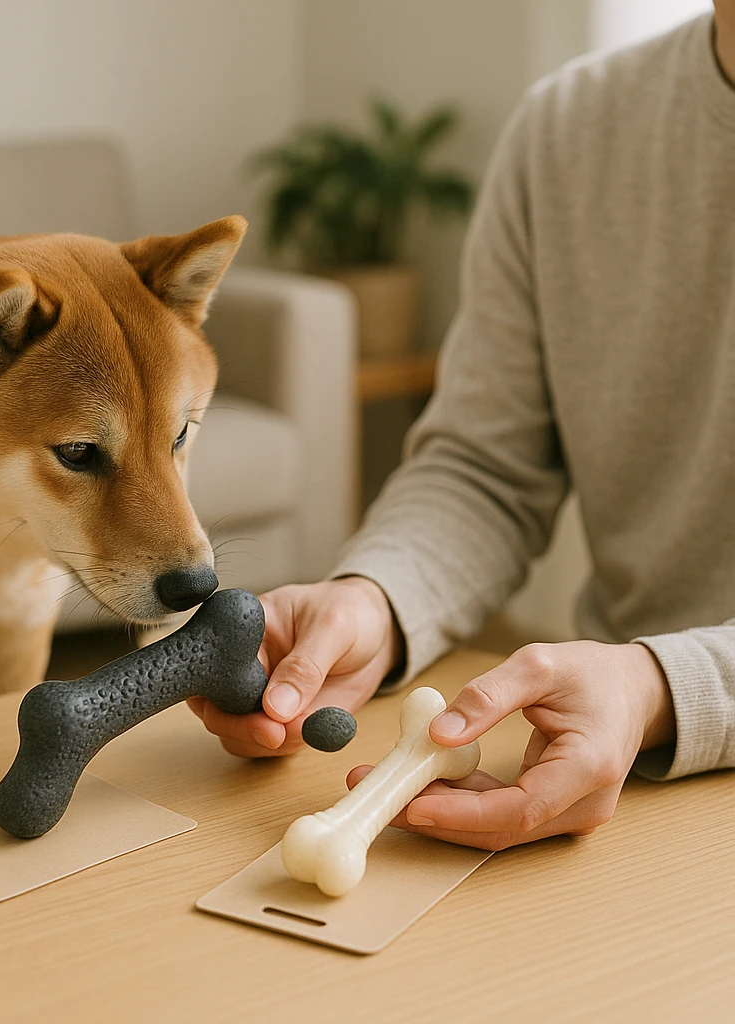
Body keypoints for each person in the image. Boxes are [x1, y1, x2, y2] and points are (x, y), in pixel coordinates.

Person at [188, 5, 735, 851]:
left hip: (652, 734)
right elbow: (486, 469)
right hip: (603, 773)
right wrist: (380, 598)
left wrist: (660, 687)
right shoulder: (569, 128)